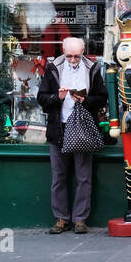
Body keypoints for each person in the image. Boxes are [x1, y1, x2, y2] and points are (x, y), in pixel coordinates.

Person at [36, 37, 107, 235]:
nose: (73, 59)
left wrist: (85, 100)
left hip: (83, 127)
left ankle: (80, 220)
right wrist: (56, 98)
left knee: (84, 177)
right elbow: (41, 98)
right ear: (63, 51)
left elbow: (102, 97)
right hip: (59, 128)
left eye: (77, 55)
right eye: (69, 56)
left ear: (83, 50)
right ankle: (61, 218)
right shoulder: (53, 68)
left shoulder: (92, 68)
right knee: (59, 177)